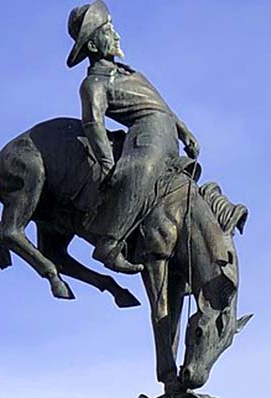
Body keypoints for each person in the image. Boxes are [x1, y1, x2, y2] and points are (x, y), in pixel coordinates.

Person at [66, 0, 200, 274]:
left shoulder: (131, 73)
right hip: (146, 136)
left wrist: (184, 131)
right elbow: (93, 122)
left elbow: (161, 104)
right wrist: (106, 162)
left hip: (167, 136)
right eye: (108, 30)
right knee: (142, 168)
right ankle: (109, 242)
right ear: (93, 45)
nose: (116, 35)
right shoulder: (94, 83)